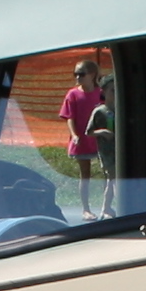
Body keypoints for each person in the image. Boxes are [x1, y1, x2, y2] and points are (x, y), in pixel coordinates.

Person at [58, 56, 110, 210]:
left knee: (106, 174)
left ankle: (106, 207)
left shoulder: (101, 93)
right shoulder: (73, 94)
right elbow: (70, 116)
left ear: (93, 74)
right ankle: (86, 209)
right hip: (82, 140)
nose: (78, 77)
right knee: (85, 175)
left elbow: (108, 112)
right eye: (76, 74)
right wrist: (74, 135)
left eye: (82, 74)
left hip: (100, 139)